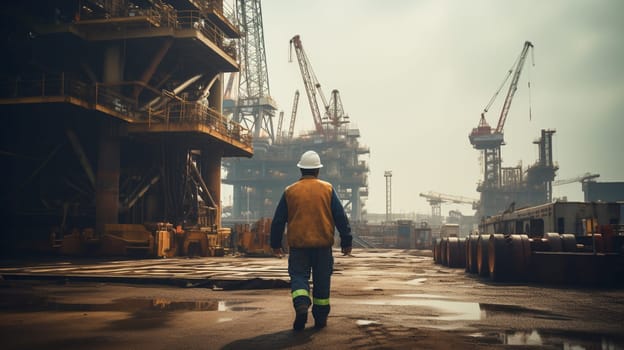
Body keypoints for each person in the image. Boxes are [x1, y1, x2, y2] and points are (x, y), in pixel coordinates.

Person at [270, 150, 353, 331]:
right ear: (318, 170)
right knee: (322, 282)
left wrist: (275, 244)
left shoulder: (289, 191)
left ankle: (301, 303)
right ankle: (320, 318)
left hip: (299, 247)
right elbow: (340, 217)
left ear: (301, 169)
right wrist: (347, 241)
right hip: (323, 247)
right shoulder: (328, 189)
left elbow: (278, 221)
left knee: (299, 277)